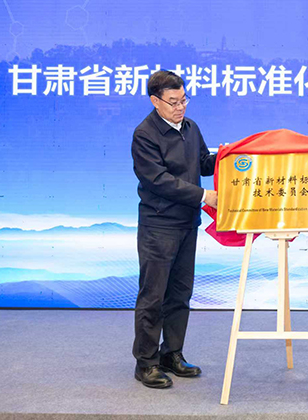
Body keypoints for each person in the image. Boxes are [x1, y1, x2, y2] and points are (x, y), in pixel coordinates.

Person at [131, 70, 218, 388]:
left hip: (187, 223)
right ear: (155, 101)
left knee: (180, 294)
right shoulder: (144, 134)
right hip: (159, 225)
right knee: (153, 296)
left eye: (184, 100)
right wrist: (204, 196)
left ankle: (172, 354)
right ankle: (146, 362)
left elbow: (203, 163)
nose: (180, 107)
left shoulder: (191, 128)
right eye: (173, 102)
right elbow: (158, 180)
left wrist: (229, 156)